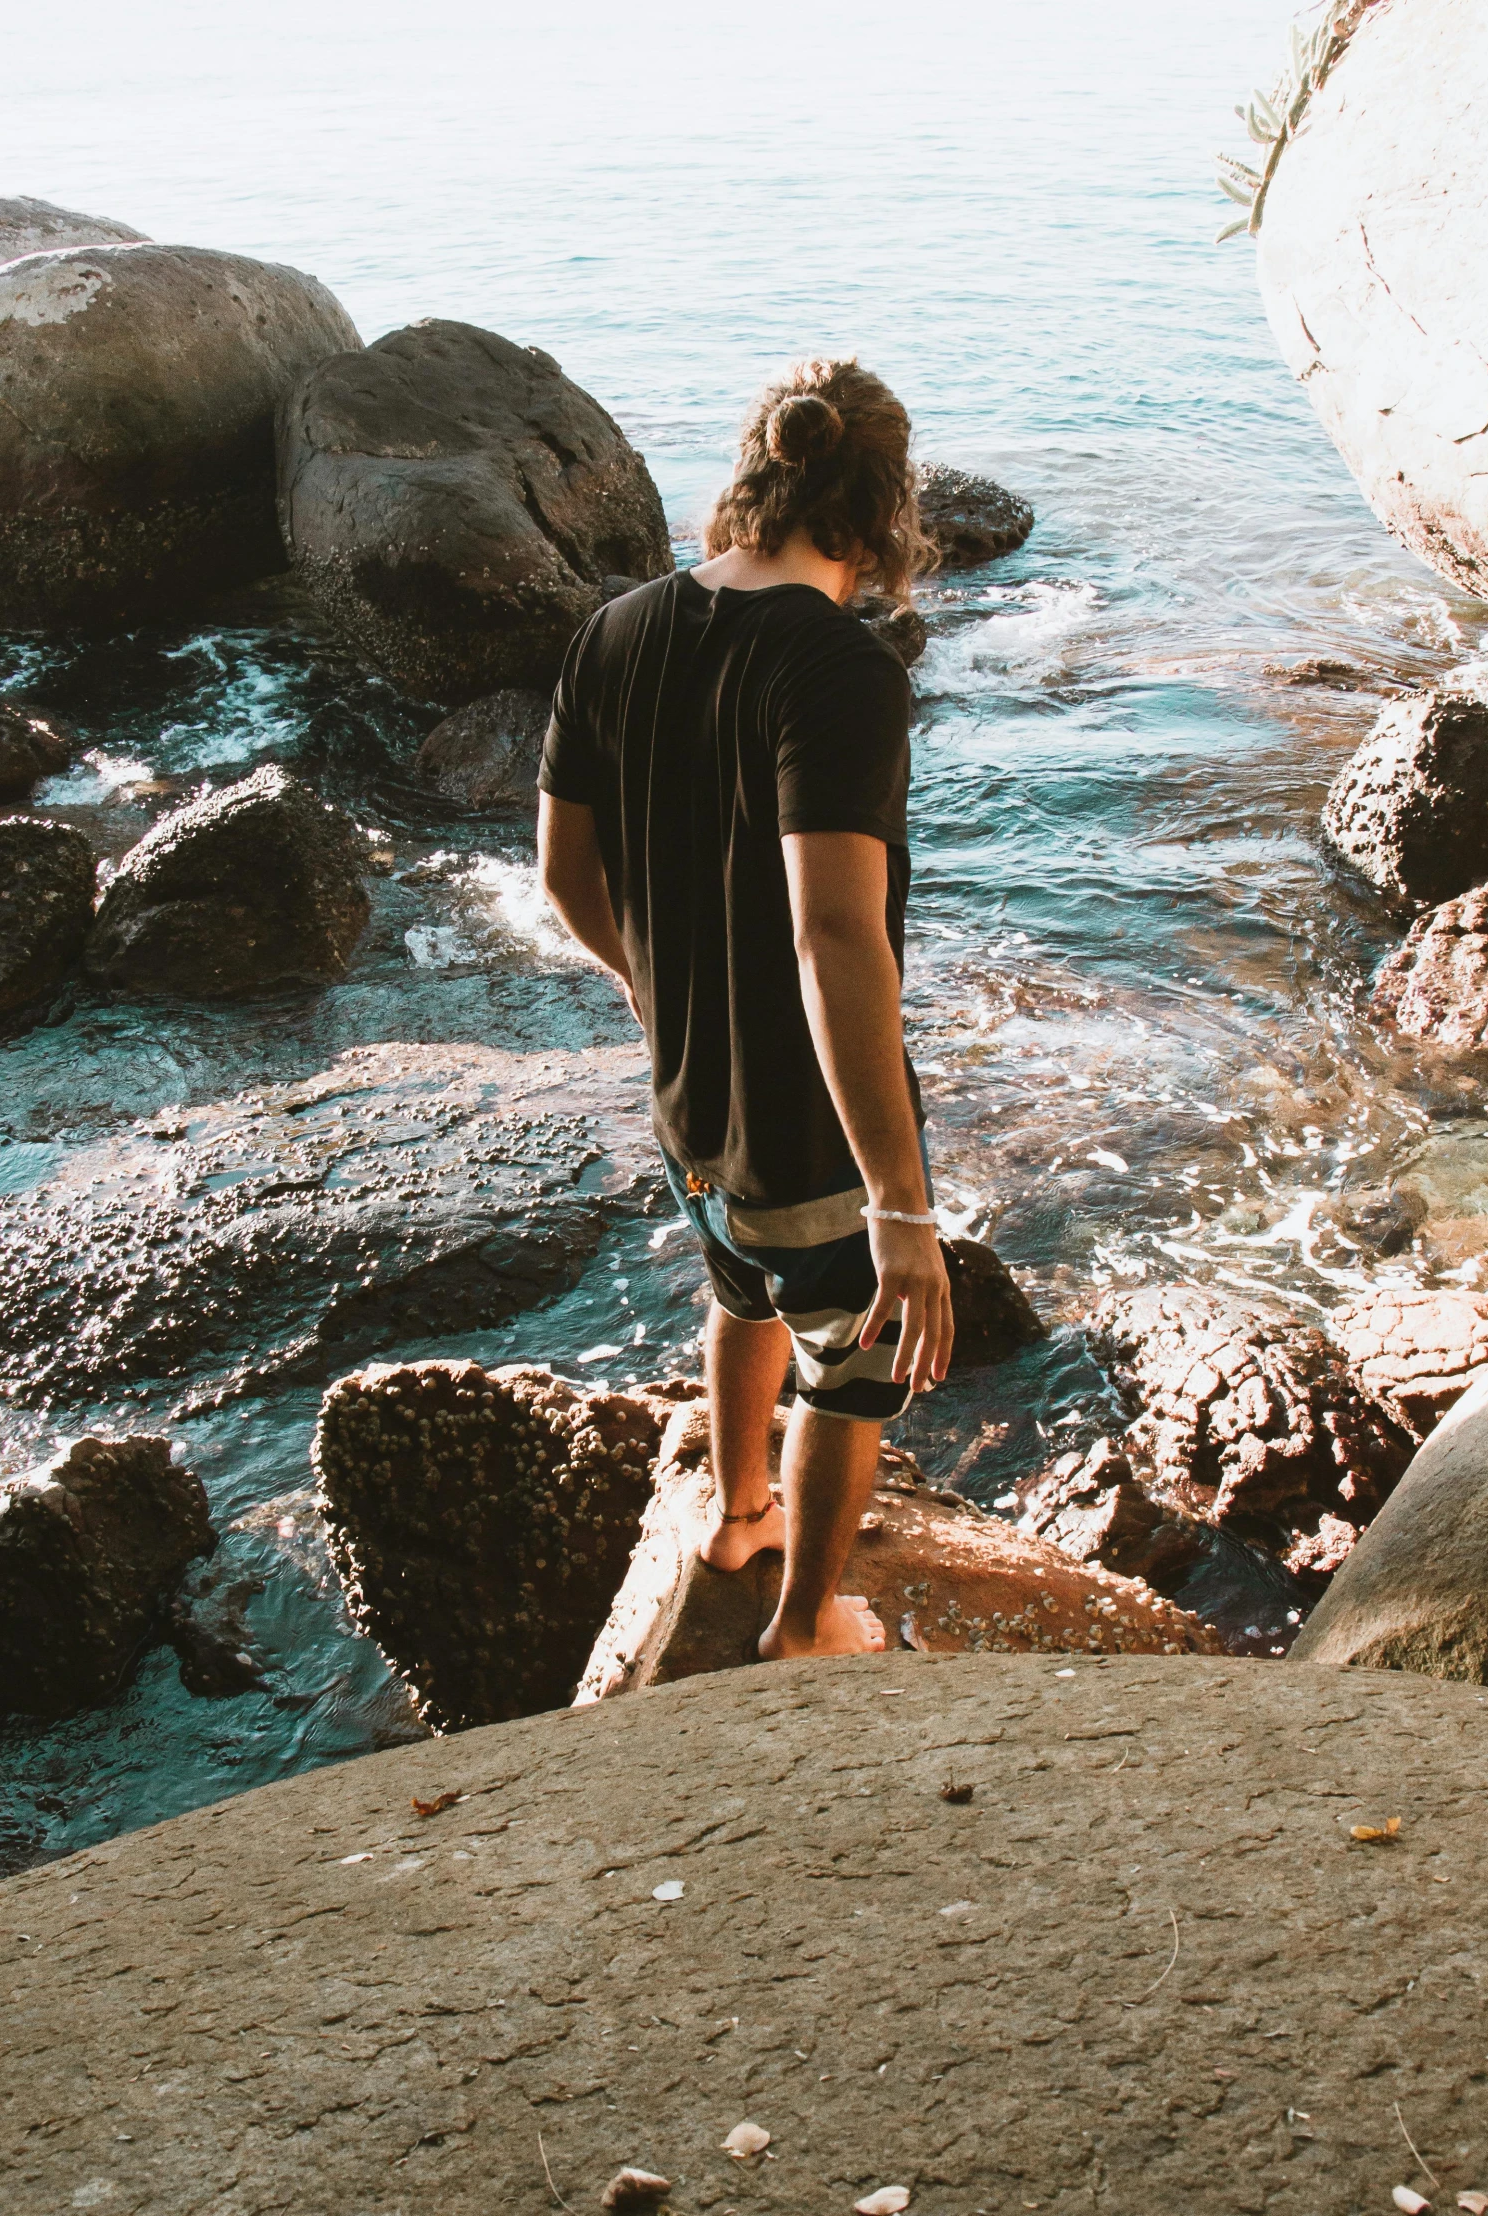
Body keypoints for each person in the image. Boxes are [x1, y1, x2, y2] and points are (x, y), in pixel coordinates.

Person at [537, 356, 951, 1661]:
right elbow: (834, 936)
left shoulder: (618, 629)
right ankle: (803, 1619)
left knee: (743, 1292)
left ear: (754, 477)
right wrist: (900, 1201)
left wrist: (659, 997)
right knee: (854, 1365)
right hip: (808, 1119)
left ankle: (736, 1516)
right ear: (884, 506)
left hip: (691, 1103)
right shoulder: (839, 668)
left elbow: (562, 875)